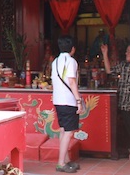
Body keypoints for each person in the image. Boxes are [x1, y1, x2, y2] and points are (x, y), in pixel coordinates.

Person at [51, 35, 83, 173]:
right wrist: (78, 101)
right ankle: (61, 163)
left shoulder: (55, 62)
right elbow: (71, 81)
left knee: (64, 130)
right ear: (73, 49)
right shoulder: (71, 61)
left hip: (58, 100)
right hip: (69, 101)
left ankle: (66, 160)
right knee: (69, 132)